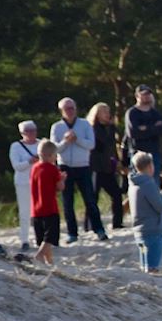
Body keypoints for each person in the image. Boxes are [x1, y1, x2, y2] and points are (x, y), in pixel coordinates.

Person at [50, 97, 107, 243]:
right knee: (68, 201)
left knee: (90, 199)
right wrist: (65, 141)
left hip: (83, 166)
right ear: (61, 111)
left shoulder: (85, 124)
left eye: (72, 108)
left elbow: (91, 145)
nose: (70, 111)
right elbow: (54, 149)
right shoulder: (56, 127)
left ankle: (99, 229)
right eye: (67, 109)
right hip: (65, 166)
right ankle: (72, 233)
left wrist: (77, 139)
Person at [128, 151, 162, 273]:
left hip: (140, 232)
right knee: (153, 269)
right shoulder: (148, 183)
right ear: (150, 166)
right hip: (152, 232)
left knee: (145, 269)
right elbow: (160, 206)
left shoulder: (133, 183)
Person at [87, 103, 124, 230]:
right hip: (96, 168)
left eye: (108, 111)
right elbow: (101, 145)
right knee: (93, 197)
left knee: (117, 194)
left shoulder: (110, 128)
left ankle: (117, 222)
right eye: (104, 112)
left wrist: (118, 162)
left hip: (108, 168)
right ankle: (89, 225)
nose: (108, 114)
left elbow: (113, 147)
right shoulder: (93, 129)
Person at [29, 139, 64, 266]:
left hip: (35, 210)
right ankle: (39, 255)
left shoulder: (34, 168)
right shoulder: (52, 169)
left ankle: (49, 261)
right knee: (50, 237)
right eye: (55, 156)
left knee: (42, 238)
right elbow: (60, 187)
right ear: (50, 156)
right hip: (49, 208)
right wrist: (62, 178)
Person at [124, 84, 162, 180]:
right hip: (137, 154)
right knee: (138, 181)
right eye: (143, 94)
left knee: (154, 182)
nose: (146, 96)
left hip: (154, 153)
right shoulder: (132, 113)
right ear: (137, 96)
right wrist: (154, 128)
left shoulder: (155, 113)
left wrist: (145, 128)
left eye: (148, 94)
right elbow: (133, 133)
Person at [9, 121, 40, 251]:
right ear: (22, 133)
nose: (31, 133)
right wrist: (30, 161)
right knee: (25, 211)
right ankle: (24, 239)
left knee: (40, 212)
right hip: (23, 182)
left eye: (33, 130)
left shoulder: (41, 144)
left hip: (39, 181)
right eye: (28, 131)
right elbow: (17, 166)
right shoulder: (16, 146)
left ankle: (41, 238)